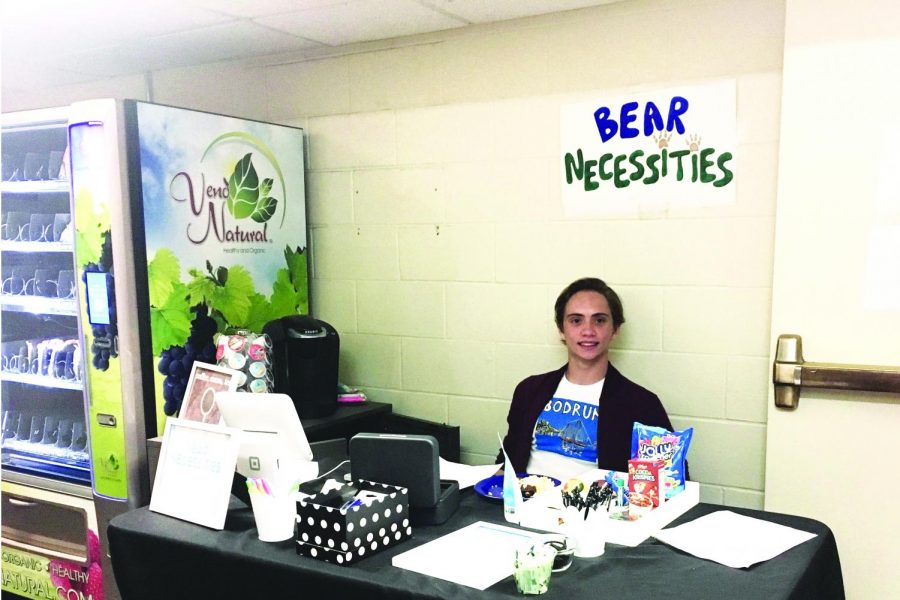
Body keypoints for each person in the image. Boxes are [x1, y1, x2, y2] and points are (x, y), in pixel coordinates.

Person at [497, 277, 675, 480]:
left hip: (597, 509)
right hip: (525, 503)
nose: (588, 331)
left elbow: (671, 478)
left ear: (615, 329)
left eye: (599, 320)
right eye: (576, 320)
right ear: (561, 329)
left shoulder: (642, 404)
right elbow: (506, 462)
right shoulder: (529, 390)